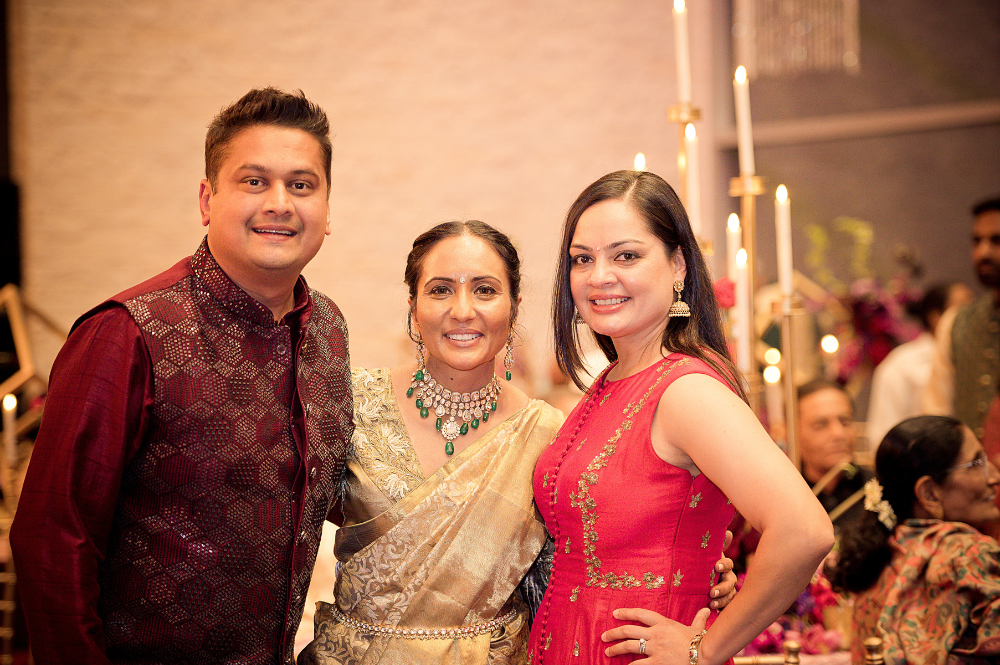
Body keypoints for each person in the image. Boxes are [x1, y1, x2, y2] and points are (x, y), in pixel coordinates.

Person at [10, 88, 354, 664]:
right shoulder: (126, 334)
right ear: (206, 199)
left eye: (301, 185)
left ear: (326, 206)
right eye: (254, 181)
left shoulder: (328, 330)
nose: (279, 203)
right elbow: (52, 540)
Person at [297, 220, 737, 664]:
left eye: (485, 290)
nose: (463, 310)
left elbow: (591, 552)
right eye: (441, 290)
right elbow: (289, 526)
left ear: (514, 307)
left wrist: (699, 570)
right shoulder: (350, 405)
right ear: (413, 306)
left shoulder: (551, 436)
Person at [527, 170, 834, 664]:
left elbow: (803, 531)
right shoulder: (609, 383)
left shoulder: (686, 390)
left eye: (625, 255)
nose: (598, 276)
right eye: (582, 259)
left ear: (678, 266)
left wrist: (704, 649)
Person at [829, 415, 1000, 663]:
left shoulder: (880, 556)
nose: (994, 477)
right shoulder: (970, 555)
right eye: (976, 464)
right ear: (929, 492)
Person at [924, 197, 1000, 439]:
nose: (983, 252)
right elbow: (936, 413)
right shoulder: (956, 322)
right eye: (977, 241)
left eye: (996, 240)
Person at [867, 281, 972, 446]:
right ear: (936, 318)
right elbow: (883, 433)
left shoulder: (976, 359)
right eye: (963, 309)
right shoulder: (902, 364)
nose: (972, 317)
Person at [798, 380, 874, 531]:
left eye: (845, 421)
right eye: (820, 425)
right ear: (790, 431)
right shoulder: (783, 496)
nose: (838, 434)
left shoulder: (875, 490)